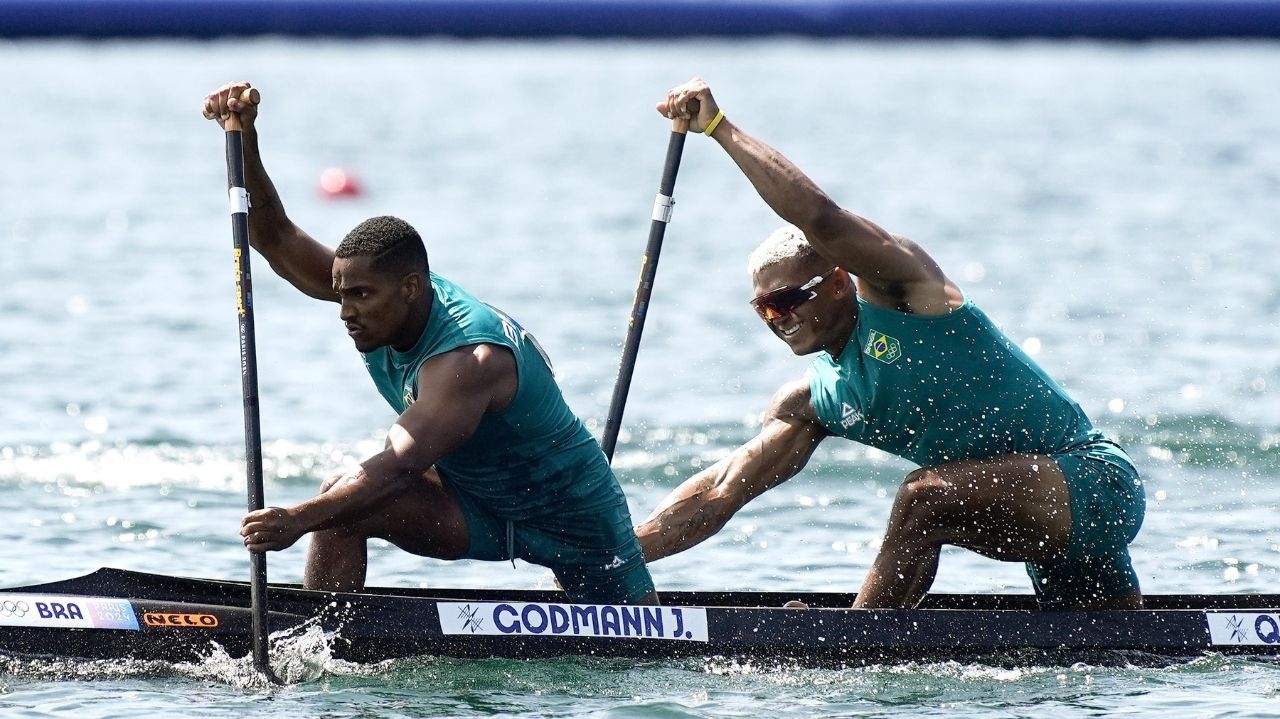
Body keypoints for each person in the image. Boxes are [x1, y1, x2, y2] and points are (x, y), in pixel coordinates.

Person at [635, 77, 1144, 610]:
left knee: (922, 498)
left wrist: (718, 129)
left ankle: (857, 647)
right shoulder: (811, 402)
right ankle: (872, 637)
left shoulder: (906, 293)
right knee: (1115, 652)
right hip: (1027, 512)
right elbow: (720, 494)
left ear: (837, 282)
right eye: (762, 307)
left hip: (1092, 482)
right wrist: (612, 558)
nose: (775, 319)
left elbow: (821, 218)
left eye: (785, 300)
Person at [201, 81, 657, 605]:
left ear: (411, 288)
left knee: (638, 651)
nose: (347, 311)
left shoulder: (469, 358)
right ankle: (316, 646)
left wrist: (293, 520)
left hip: (576, 522)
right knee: (342, 506)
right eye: (341, 295)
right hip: (477, 505)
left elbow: (399, 467)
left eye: (361, 296)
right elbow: (276, 235)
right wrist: (244, 137)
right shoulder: (383, 301)